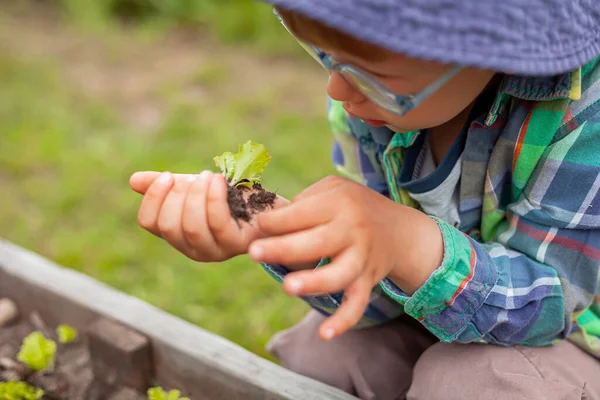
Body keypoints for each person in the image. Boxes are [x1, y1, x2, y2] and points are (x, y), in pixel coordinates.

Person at [129, 0, 600, 398]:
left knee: (471, 383)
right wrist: (275, 229)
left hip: (580, 342)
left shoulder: (584, 115)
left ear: (497, 49)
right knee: (324, 353)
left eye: (370, 74)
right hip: (447, 320)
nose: (337, 88)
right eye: (323, 56)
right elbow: (376, 304)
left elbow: (553, 308)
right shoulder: (372, 105)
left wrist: (408, 244)